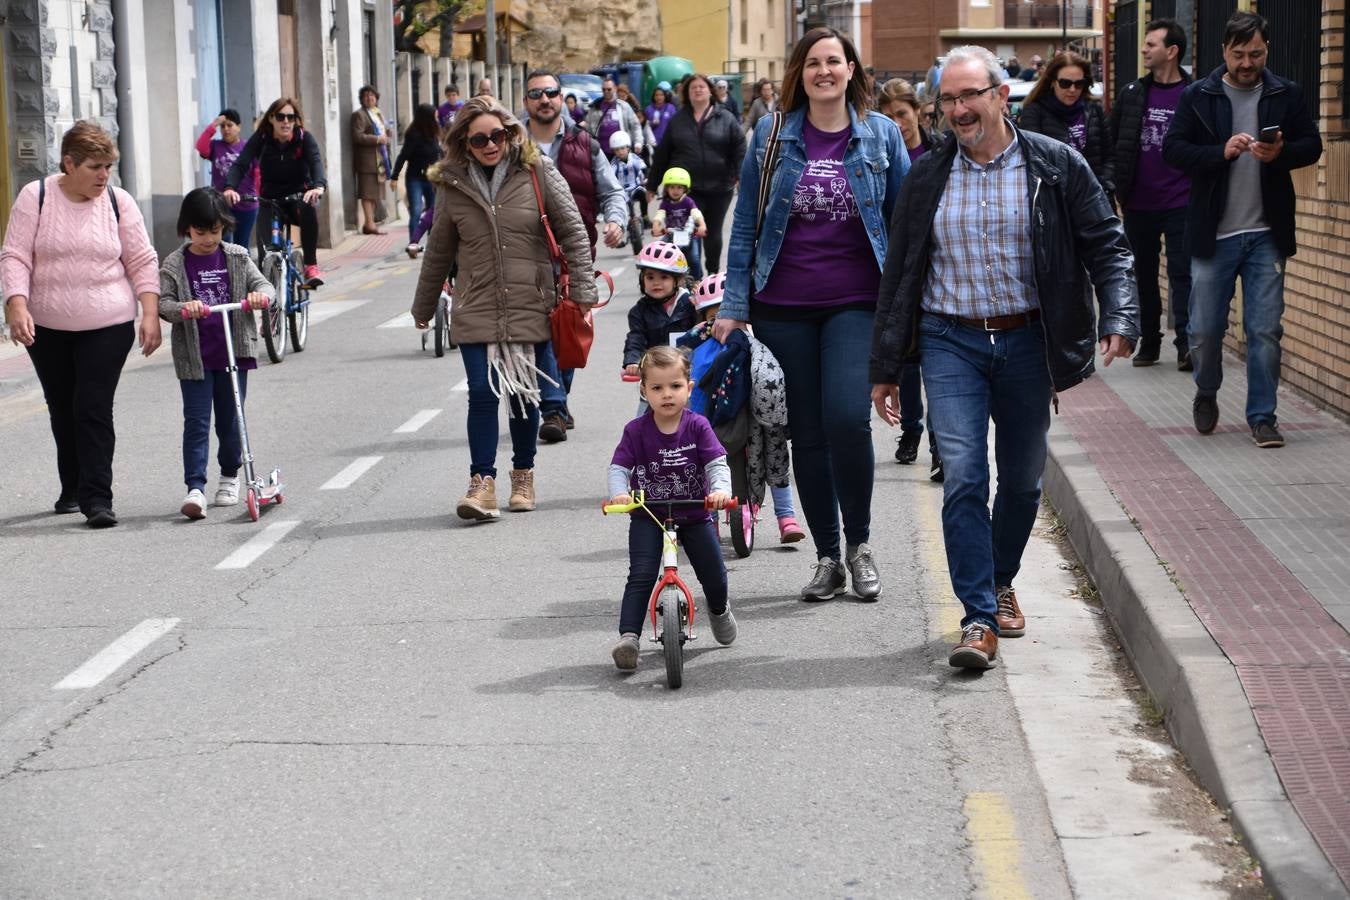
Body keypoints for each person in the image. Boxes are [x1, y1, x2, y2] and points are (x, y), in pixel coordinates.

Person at [870, 45, 1138, 669]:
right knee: (964, 472)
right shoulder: (927, 175)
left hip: (1027, 342)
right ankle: (978, 619)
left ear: (1000, 96)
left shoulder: (1054, 165)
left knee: (1021, 481)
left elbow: (1108, 245)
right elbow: (900, 274)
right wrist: (885, 368)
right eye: (949, 100)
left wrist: (1121, 316)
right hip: (949, 338)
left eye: (970, 96)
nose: (960, 110)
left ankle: (999, 577)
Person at [717, 27, 908, 601]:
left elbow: (902, 225)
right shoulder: (771, 137)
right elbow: (747, 222)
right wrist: (733, 304)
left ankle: (860, 544)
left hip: (856, 302)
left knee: (846, 418)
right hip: (783, 306)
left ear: (852, 70)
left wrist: (907, 310)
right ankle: (827, 556)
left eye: (835, 61)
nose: (824, 70)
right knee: (807, 433)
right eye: (813, 63)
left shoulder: (882, 135)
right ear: (800, 75)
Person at [410, 97, 598, 520]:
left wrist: (582, 290)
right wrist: (423, 306)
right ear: (465, 142)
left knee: (521, 398)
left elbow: (573, 230)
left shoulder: (536, 171)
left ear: (511, 133)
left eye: (497, 135)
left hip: (529, 300)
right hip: (475, 302)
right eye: (479, 139)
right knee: (481, 393)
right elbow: (438, 250)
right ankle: (482, 483)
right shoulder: (452, 183)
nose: (490, 145)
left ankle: (523, 473)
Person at [1163, 11, 1322, 448]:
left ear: (1266, 49)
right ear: (1224, 52)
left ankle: (1263, 417)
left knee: (1265, 329)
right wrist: (1220, 151)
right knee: (1204, 329)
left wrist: (1282, 152)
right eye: (1239, 54)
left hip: (1266, 233)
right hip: (1214, 235)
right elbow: (1173, 150)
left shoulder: (1285, 93)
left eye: (1255, 53)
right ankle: (1207, 388)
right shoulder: (1200, 95)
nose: (1247, 63)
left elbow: (1313, 145)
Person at [0, 120, 162, 528]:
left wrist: (150, 312)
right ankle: (71, 486)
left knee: (91, 405)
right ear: (69, 164)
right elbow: (15, 256)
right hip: (47, 326)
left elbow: (142, 260)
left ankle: (97, 498)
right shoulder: (34, 197)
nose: (104, 175)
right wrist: (16, 304)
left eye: (108, 166)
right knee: (62, 406)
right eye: (95, 166)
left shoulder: (118, 203)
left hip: (107, 322)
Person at [606, 345, 736, 670]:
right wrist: (621, 494)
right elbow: (619, 468)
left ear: (689, 389)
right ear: (644, 391)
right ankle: (629, 638)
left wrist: (720, 491)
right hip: (649, 515)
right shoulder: (635, 431)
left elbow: (717, 464)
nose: (667, 394)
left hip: (693, 514)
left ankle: (719, 610)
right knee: (641, 574)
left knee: (714, 574)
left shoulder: (697, 426)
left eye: (675, 386)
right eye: (657, 387)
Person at [520, 70, 628, 443]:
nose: (544, 99)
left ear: (560, 97)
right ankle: (553, 407)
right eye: (536, 93)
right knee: (539, 330)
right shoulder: (510, 143)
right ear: (526, 102)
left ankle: (558, 400)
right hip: (525, 253)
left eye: (550, 92)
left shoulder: (585, 143)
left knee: (568, 329)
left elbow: (612, 191)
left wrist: (616, 221)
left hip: (573, 252)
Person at [157, 188, 273, 520]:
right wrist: (183, 308)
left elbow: (265, 286)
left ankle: (230, 474)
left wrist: (260, 298)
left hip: (233, 352)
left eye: (215, 231)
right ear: (187, 230)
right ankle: (195, 487)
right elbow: (164, 304)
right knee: (196, 421)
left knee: (230, 418)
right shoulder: (175, 263)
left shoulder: (236, 256)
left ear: (224, 227)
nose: (208, 239)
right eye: (200, 232)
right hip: (196, 356)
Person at [688, 273, 805, 544]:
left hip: (759, 415)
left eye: (728, 313)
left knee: (775, 456)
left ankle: (786, 516)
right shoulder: (699, 347)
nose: (722, 322)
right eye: (714, 315)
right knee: (707, 465)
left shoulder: (758, 344)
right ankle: (709, 522)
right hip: (714, 419)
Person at [1111, 18, 1195, 370]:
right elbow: (1113, 139)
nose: (1144, 50)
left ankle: (1187, 345)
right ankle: (1149, 341)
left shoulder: (1195, 93)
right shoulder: (1132, 93)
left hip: (1182, 201)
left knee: (1183, 274)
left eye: (1151, 44)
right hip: (1139, 203)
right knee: (1141, 274)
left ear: (1171, 51)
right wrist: (1115, 186)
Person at [878, 78, 944, 481]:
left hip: (935, 267)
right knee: (904, 359)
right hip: (895, 268)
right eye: (887, 117)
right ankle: (911, 430)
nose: (896, 123)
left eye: (901, 114)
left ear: (917, 112)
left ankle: (940, 447)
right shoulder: (877, 156)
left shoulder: (939, 152)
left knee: (938, 359)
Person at [648, 74, 746, 274]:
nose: (698, 90)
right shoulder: (677, 120)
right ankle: (693, 276)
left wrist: (741, 177)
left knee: (712, 231)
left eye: (702, 86)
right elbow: (663, 154)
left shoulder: (725, 117)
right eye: (693, 88)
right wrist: (652, 184)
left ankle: (712, 273)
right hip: (686, 189)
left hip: (720, 186)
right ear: (687, 93)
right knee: (689, 232)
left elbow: (740, 149)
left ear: (710, 91)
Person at [224, 97, 327, 287]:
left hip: (297, 198)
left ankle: (310, 265)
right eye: (280, 117)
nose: (286, 122)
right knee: (266, 256)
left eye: (290, 117)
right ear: (271, 118)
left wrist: (318, 186)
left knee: (308, 205)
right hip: (270, 201)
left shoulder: (304, 139)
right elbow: (241, 163)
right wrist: (230, 187)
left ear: (295, 120)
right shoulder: (262, 138)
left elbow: (316, 163)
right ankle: (271, 305)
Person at [1018, 52, 1113, 198]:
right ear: (1053, 81)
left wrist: (1105, 185)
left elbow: (1109, 154)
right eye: (1065, 83)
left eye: (1079, 84)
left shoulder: (1094, 109)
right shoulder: (1034, 111)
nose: (1072, 89)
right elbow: (1031, 159)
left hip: (1095, 197)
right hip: (1056, 201)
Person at [622, 242, 695, 379]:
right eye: (650, 277)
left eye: (664, 277)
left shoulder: (691, 305)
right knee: (646, 400)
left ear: (677, 280)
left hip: (688, 371)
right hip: (655, 373)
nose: (656, 282)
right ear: (642, 279)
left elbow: (705, 331)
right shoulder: (639, 311)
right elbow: (636, 338)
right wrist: (633, 360)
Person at [194, 108, 260, 250]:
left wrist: (260, 195)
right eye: (223, 126)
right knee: (222, 245)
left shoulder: (248, 148)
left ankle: (241, 272)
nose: (226, 129)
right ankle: (224, 272)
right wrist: (214, 125)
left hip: (246, 204)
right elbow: (200, 146)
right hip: (221, 205)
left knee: (241, 246)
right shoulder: (216, 146)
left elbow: (258, 173)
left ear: (239, 127)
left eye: (230, 125)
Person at [391, 102, 443, 259]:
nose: (437, 118)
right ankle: (413, 245)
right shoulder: (413, 135)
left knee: (434, 211)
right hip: (415, 179)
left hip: (432, 179)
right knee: (415, 210)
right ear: (427, 118)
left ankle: (432, 243)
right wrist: (394, 176)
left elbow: (440, 154)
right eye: (434, 115)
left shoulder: (434, 133)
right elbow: (403, 156)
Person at [350, 85, 393, 235]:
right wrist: (377, 139)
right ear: (362, 99)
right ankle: (369, 224)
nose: (370, 98)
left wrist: (388, 134)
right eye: (366, 96)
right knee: (368, 193)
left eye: (372, 96)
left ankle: (370, 224)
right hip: (367, 162)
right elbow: (357, 136)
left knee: (376, 193)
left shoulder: (378, 113)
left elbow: (384, 131)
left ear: (377, 98)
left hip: (380, 160)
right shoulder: (359, 115)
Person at [651, 167, 706, 281]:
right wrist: (656, 226)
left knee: (694, 258)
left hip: (689, 234)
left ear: (685, 189)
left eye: (679, 187)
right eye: (672, 187)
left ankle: (697, 280)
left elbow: (696, 213)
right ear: (666, 189)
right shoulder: (665, 203)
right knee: (659, 252)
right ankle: (662, 276)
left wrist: (702, 225)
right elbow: (660, 215)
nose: (675, 191)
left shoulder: (688, 202)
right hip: (671, 234)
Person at [584, 76, 643, 161]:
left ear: (615, 88)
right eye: (604, 89)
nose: (606, 92)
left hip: (621, 151)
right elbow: (588, 129)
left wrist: (638, 142)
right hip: (601, 152)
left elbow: (635, 125)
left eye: (609, 89)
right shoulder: (595, 107)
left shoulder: (623, 106)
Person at [609, 131, 648, 254]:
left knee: (643, 195)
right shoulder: (614, 163)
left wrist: (646, 177)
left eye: (622, 148)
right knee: (620, 211)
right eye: (617, 150)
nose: (620, 152)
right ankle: (620, 234)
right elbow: (609, 175)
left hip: (635, 186)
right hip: (621, 191)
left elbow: (643, 167)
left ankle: (645, 216)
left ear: (628, 147)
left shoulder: (634, 159)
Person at [645, 82, 676, 147]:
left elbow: (675, 124)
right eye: (656, 95)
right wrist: (652, 123)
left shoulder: (671, 107)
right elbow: (645, 126)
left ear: (665, 96)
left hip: (667, 142)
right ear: (653, 96)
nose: (659, 97)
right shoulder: (648, 109)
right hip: (653, 142)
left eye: (661, 95)